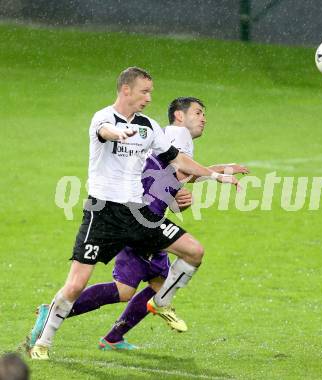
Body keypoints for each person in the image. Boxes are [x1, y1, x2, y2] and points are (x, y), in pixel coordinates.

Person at [27, 67, 240, 360]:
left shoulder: (149, 127)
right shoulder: (103, 117)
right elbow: (105, 131)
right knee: (76, 284)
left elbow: (175, 159)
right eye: (144, 92)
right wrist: (119, 132)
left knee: (193, 252)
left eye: (150, 92)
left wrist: (215, 176)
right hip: (102, 214)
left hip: (138, 215)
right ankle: (43, 342)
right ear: (126, 90)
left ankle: (160, 302)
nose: (149, 98)